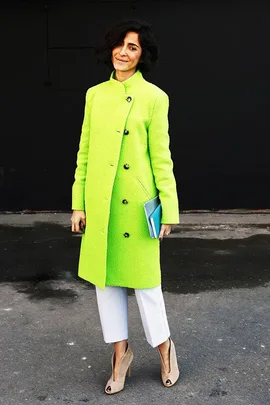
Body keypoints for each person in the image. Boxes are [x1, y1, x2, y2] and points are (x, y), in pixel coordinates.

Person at [71, 20, 180, 395]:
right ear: (110, 49)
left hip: (137, 205)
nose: (124, 52)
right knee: (107, 283)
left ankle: (165, 348)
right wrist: (78, 203)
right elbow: (84, 152)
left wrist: (169, 208)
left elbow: (161, 157)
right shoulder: (95, 95)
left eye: (133, 47)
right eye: (120, 45)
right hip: (102, 205)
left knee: (147, 285)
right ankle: (121, 354)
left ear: (142, 55)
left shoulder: (154, 97)